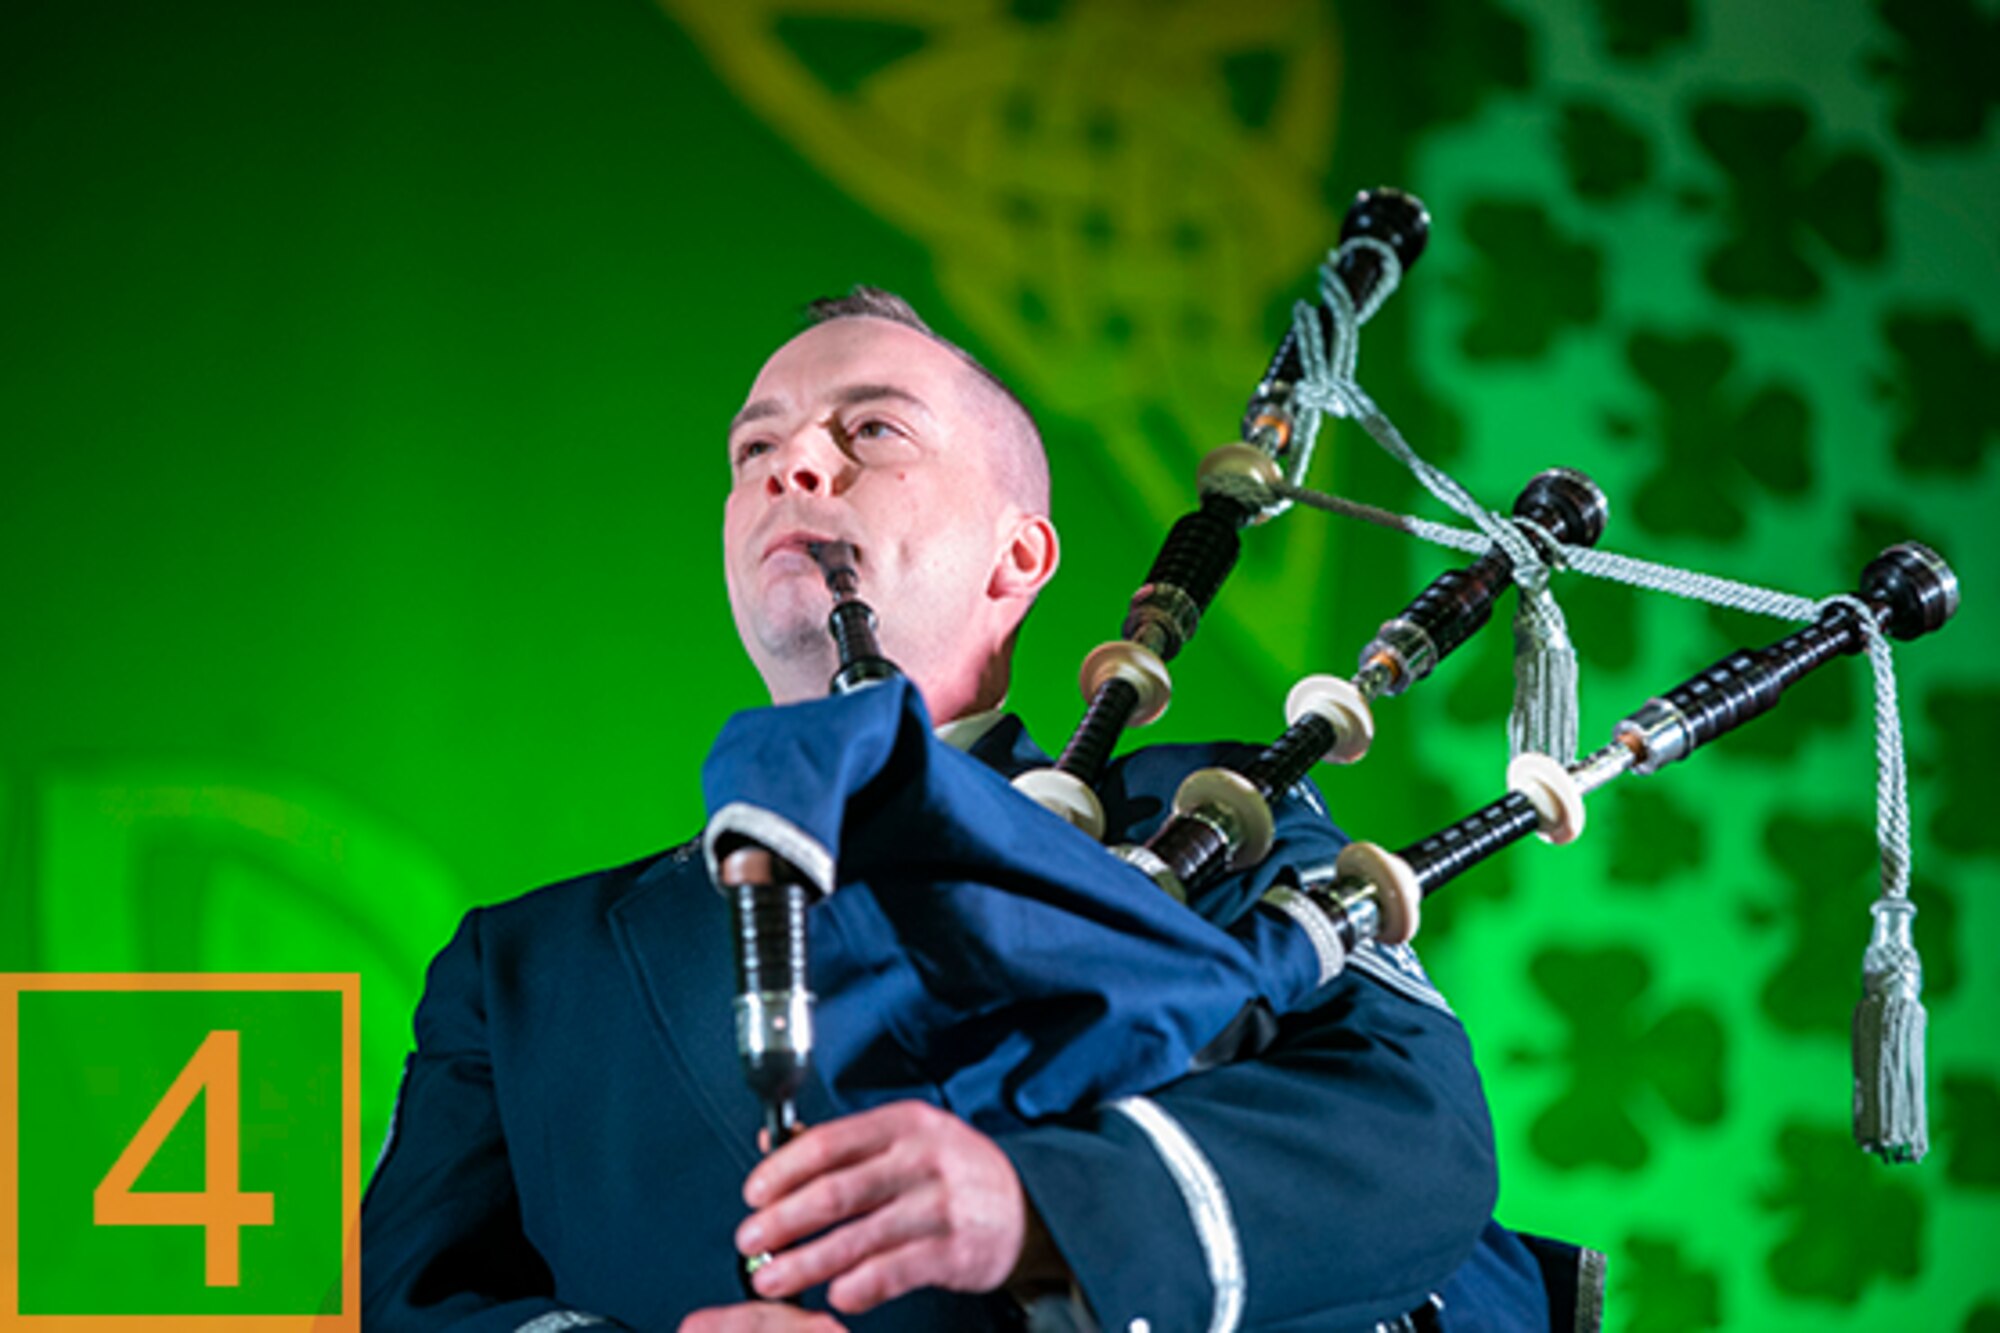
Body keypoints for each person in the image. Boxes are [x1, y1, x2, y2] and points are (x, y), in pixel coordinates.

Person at [360, 289, 1578, 1331]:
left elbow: (1406, 1135)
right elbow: (418, 1303)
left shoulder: (1215, 822)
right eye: (753, 450)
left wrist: (1041, 1206)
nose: (792, 466)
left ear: (1018, 559)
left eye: (873, 430)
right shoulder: (521, 967)